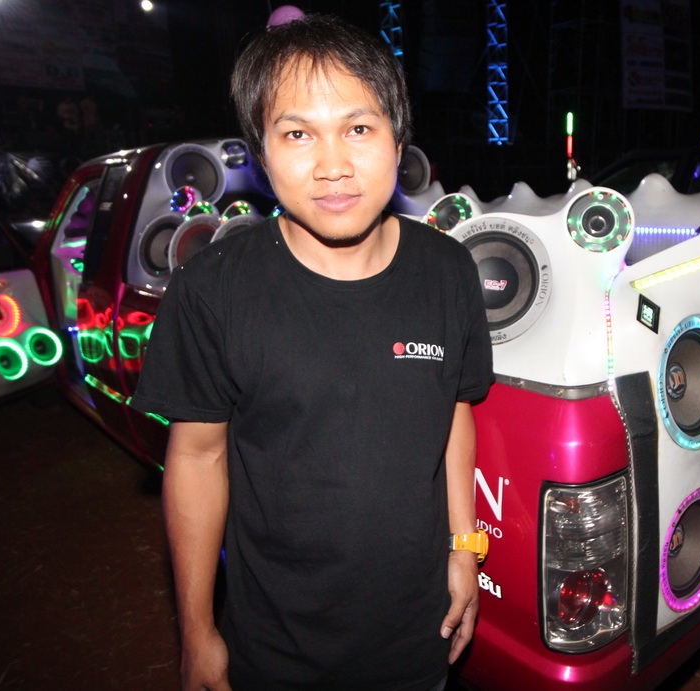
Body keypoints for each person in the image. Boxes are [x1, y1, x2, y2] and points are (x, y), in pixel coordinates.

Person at [131, 13, 493, 691]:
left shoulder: (448, 270)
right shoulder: (213, 289)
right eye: (297, 134)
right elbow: (197, 458)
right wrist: (197, 632)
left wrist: (464, 549)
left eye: (359, 129)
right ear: (261, 154)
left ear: (397, 141)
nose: (333, 167)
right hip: (273, 649)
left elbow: (454, 415)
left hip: (418, 638)